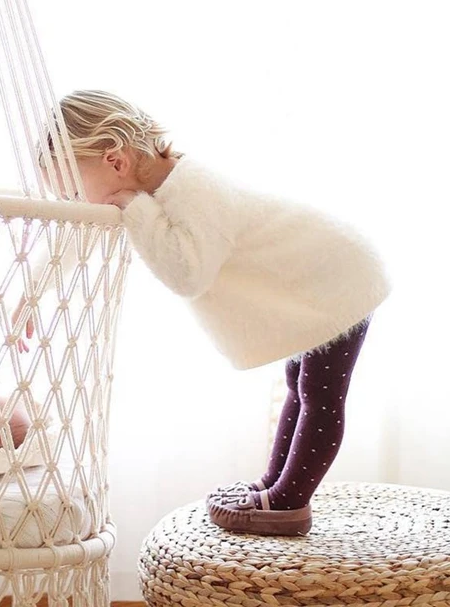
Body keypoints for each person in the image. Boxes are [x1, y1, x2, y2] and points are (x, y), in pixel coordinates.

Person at [31, 89, 392, 536]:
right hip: (313, 279)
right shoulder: (148, 191)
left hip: (338, 276)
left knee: (320, 393)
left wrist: (135, 208)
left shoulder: (193, 190)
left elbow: (188, 276)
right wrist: (31, 296)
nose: (72, 203)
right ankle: (274, 485)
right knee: (297, 385)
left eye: (70, 190)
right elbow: (74, 242)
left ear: (115, 162)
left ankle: (289, 502)